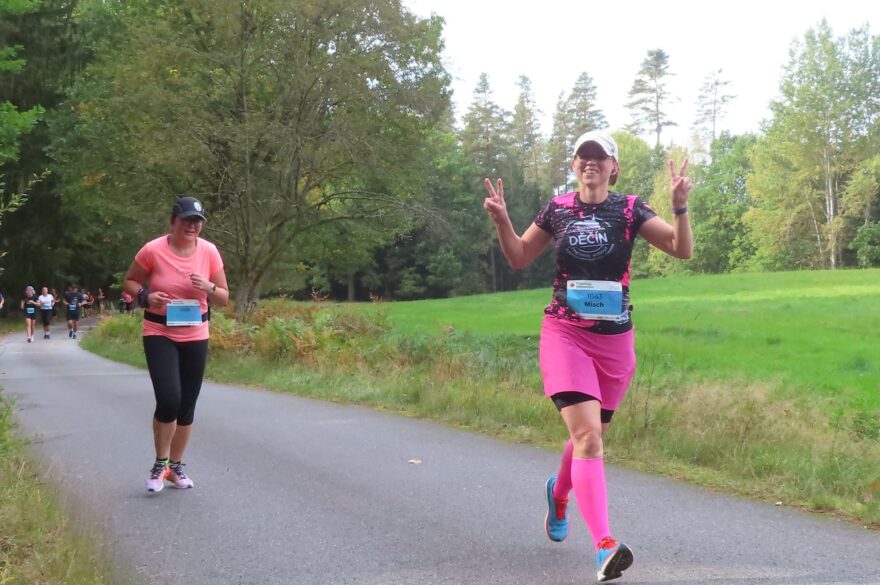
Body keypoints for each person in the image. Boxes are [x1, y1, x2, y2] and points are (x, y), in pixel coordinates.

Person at [483, 130, 692, 583]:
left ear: (614, 168)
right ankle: (604, 545)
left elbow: (681, 249)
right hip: (565, 333)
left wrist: (679, 207)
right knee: (589, 438)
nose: (591, 162)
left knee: (590, 436)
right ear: (574, 165)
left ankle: (559, 493)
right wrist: (503, 221)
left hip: (615, 341)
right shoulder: (557, 209)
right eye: (583, 155)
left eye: (600, 156)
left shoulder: (631, 209)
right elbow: (519, 256)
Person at [123, 196, 228, 493]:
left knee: (187, 404)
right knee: (169, 398)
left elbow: (223, 297)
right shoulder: (152, 250)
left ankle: (176, 467)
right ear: (173, 221)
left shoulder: (209, 252)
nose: (192, 226)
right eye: (186, 220)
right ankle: (160, 463)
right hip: (160, 331)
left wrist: (208, 287)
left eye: (197, 221)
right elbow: (129, 281)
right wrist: (146, 296)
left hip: (196, 333)